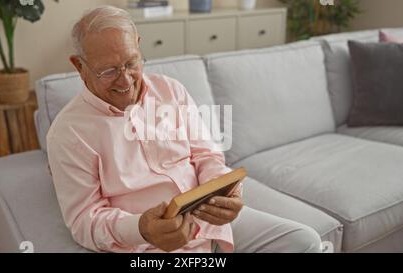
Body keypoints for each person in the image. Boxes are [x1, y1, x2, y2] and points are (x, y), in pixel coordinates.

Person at [47, 5, 322, 253]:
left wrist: (227, 192)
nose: (125, 80)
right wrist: (142, 229)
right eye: (108, 71)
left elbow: (207, 156)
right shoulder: (68, 132)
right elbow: (84, 221)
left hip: (210, 222)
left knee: (304, 241)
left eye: (131, 63)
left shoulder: (171, 90)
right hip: (150, 246)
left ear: (139, 47)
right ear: (79, 67)